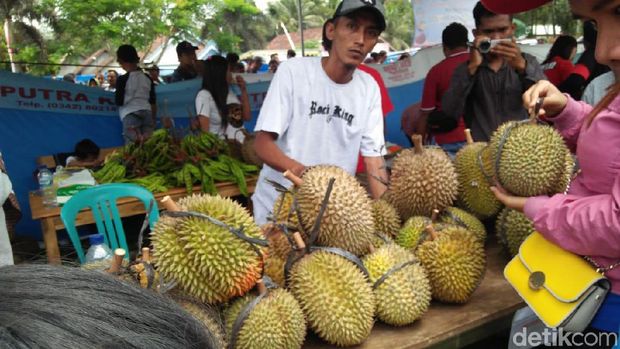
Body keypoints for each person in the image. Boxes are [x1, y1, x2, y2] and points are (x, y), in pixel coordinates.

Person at [483, 0, 620, 342]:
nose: (602, 51)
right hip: (584, 287)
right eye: (593, 24)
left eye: (619, 12)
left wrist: (539, 208)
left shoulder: (529, 63)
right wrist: (568, 112)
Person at [251, 0, 389, 225]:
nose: (360, 40)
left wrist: (387, 215)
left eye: (370, 33)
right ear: (331, 30)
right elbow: (262, 144)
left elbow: (374, 160)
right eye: (352, 27)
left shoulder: (369, 87)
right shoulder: (294, 72)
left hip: (331, 215)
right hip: (279, 210)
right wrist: (302, 173)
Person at [441, 1, 545, 142]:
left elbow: (545, 102)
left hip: (523, 151)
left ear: (512, 28)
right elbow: (449, 112)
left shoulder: (528, 62)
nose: (496, 38)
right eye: (488, 32)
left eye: (502, 30)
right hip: (482, 154)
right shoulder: (465, 70)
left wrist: (522, 67)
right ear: (476, 33)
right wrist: (472, 68)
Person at [417, 22, 469, 157]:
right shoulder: (482, 64)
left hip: (447, 141)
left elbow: (425, 114)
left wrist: (419, 148)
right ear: (467, 43)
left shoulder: (436, 72)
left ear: (445, 47)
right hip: (481, 136)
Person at [195, 55, 250, 141]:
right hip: (224, 148)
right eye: (228, 70)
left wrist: (243, 90)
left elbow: (247, 117)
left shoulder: (229, 92)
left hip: (241, 145)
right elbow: (205, 133)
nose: (231, 73)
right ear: (220, 73)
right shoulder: (204, 96)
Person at [557, 21, 610, 100]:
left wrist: (556, 92)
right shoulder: (608, 53)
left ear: (586, 41)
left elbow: (575, 80)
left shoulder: (590, 54)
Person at [115, 45, 157, 143]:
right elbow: (153, 102)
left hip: (130, 114)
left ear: (121, 61)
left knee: (133, 149)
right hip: (147, 113)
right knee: (149, 146)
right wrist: (153, 119)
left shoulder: (122, 79)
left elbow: (119, 101)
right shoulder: (147, 78)